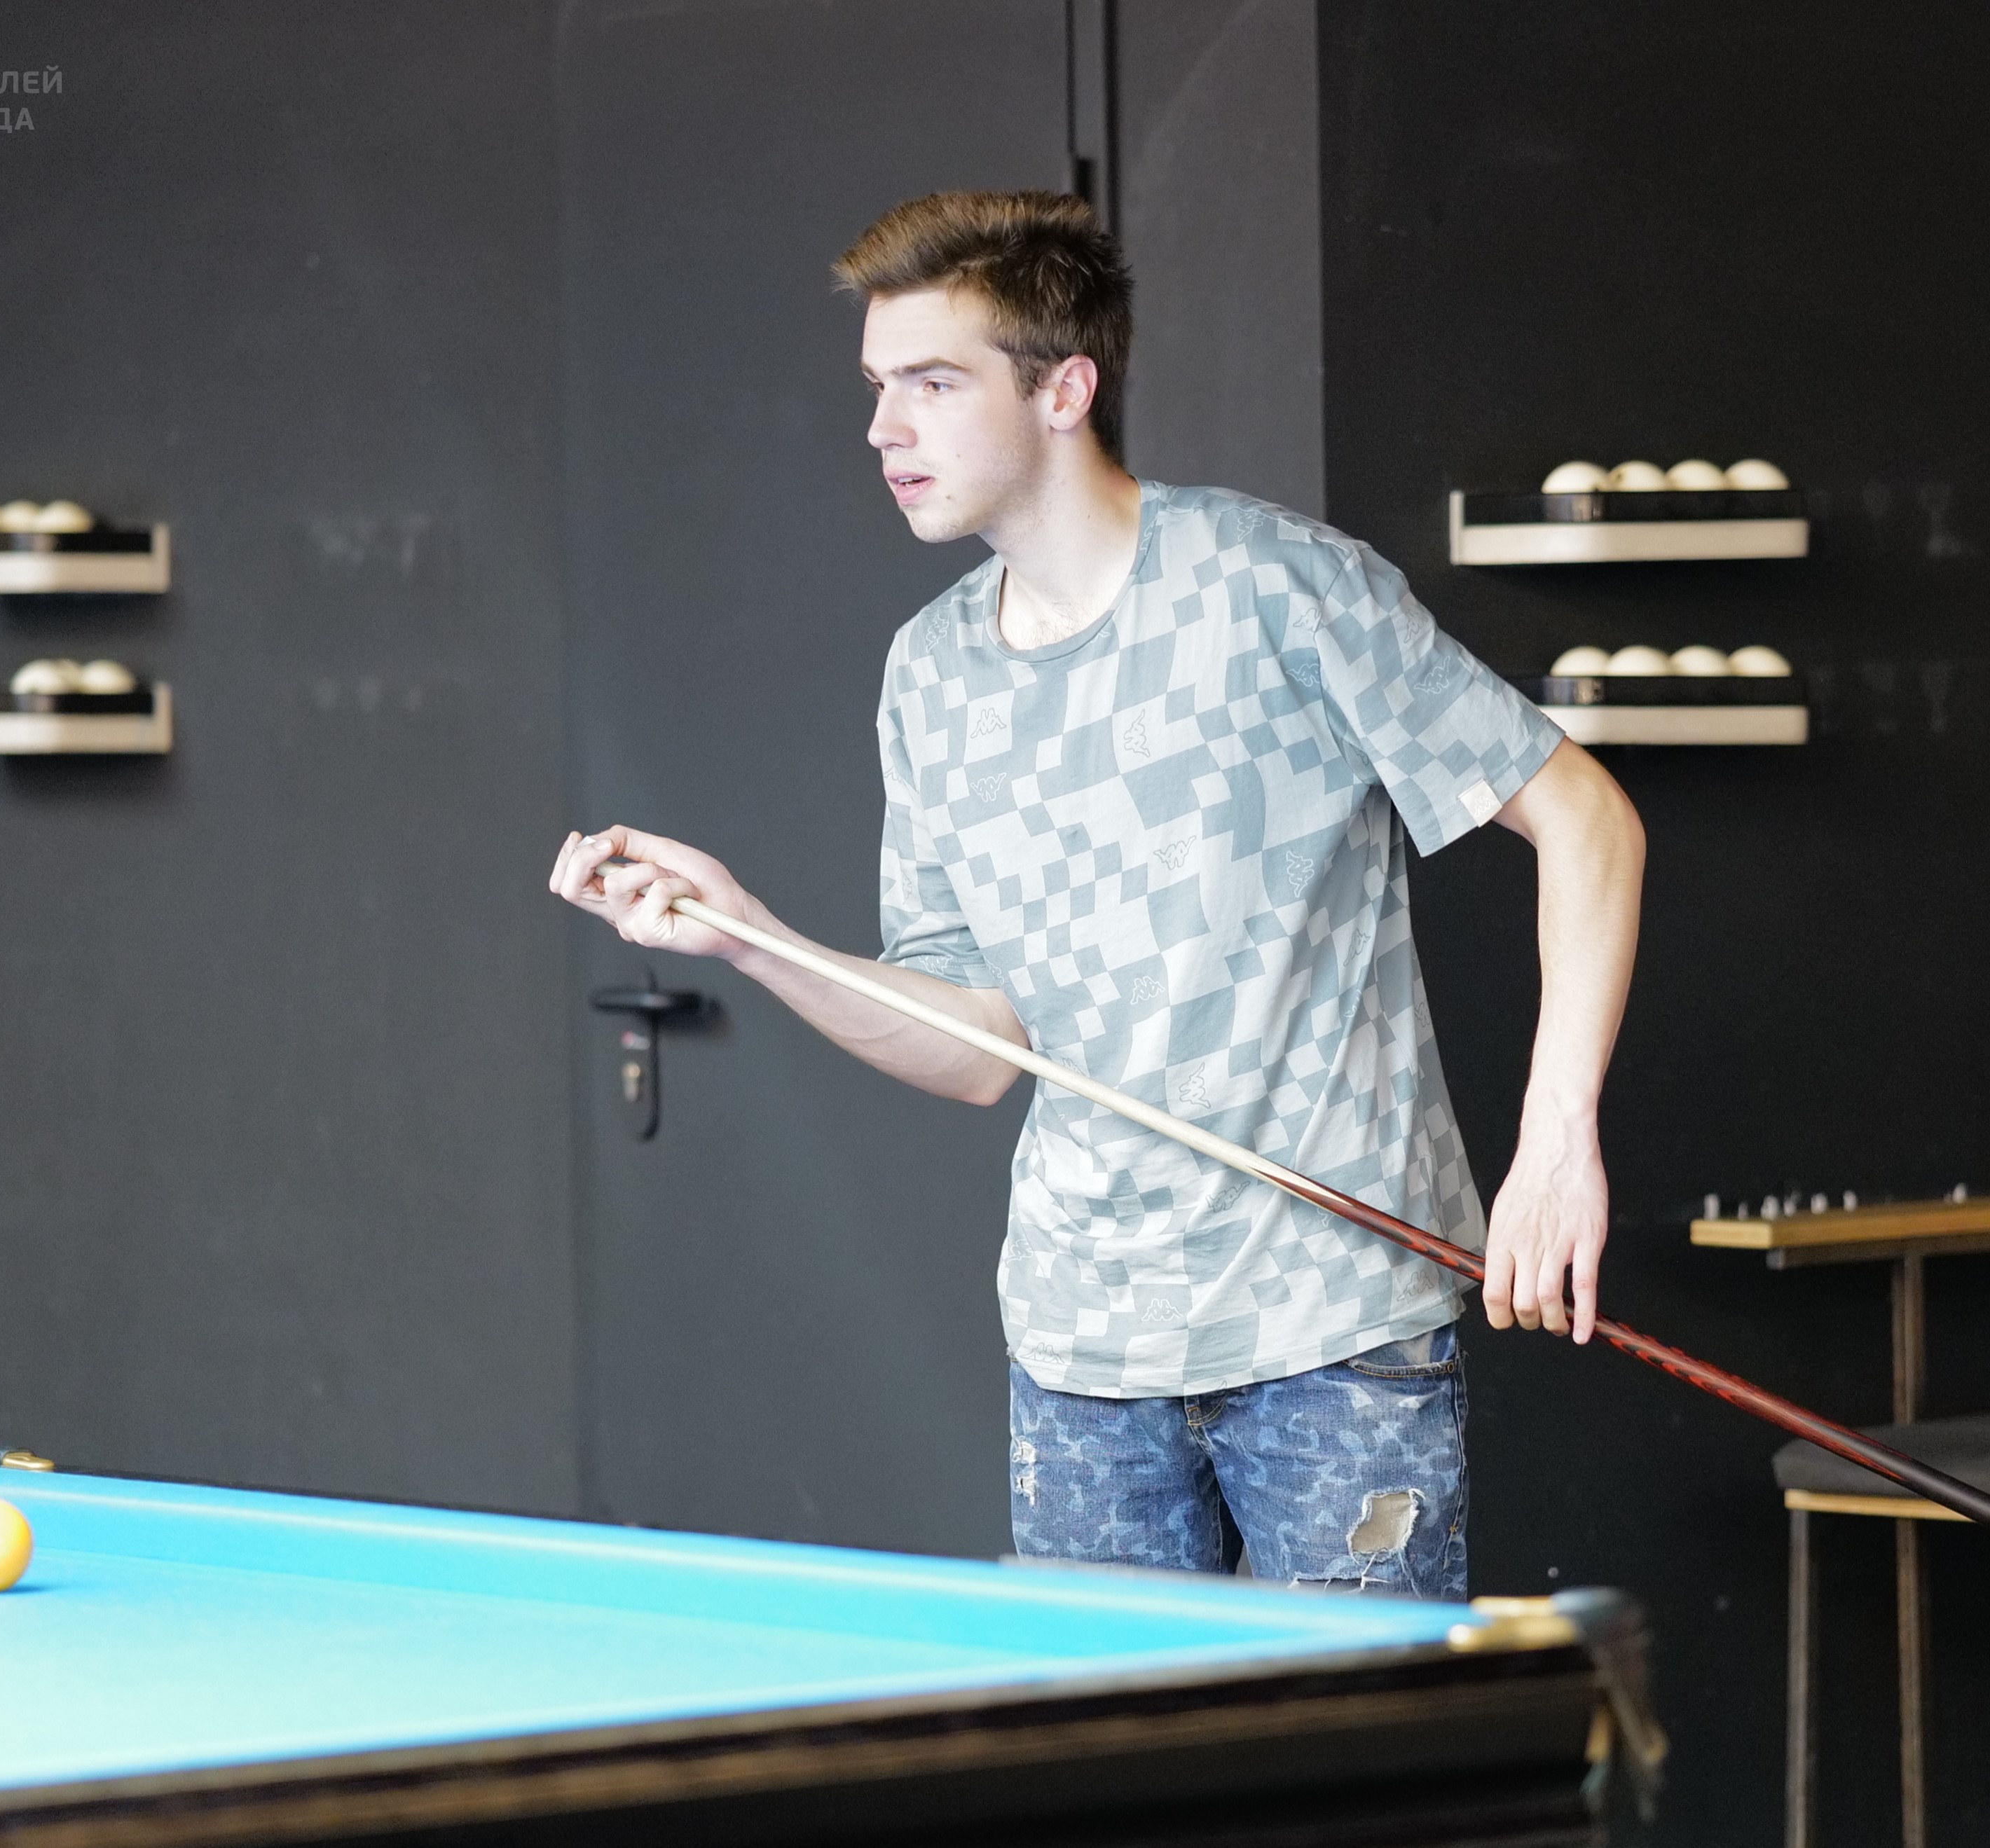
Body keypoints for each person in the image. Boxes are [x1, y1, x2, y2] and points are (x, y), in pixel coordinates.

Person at [551, 191, 1643, 1598]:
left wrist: (1553, 1144)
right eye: (877, 387)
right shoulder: (929, 672)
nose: (881, 428)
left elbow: (1586, 821)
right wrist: (749, 937)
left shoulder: (1276, 589)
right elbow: (975, 1050)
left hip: (1332, 1339)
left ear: (1062, 390)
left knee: (1356, 1740)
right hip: (1078, 1362)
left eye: (930, 384)